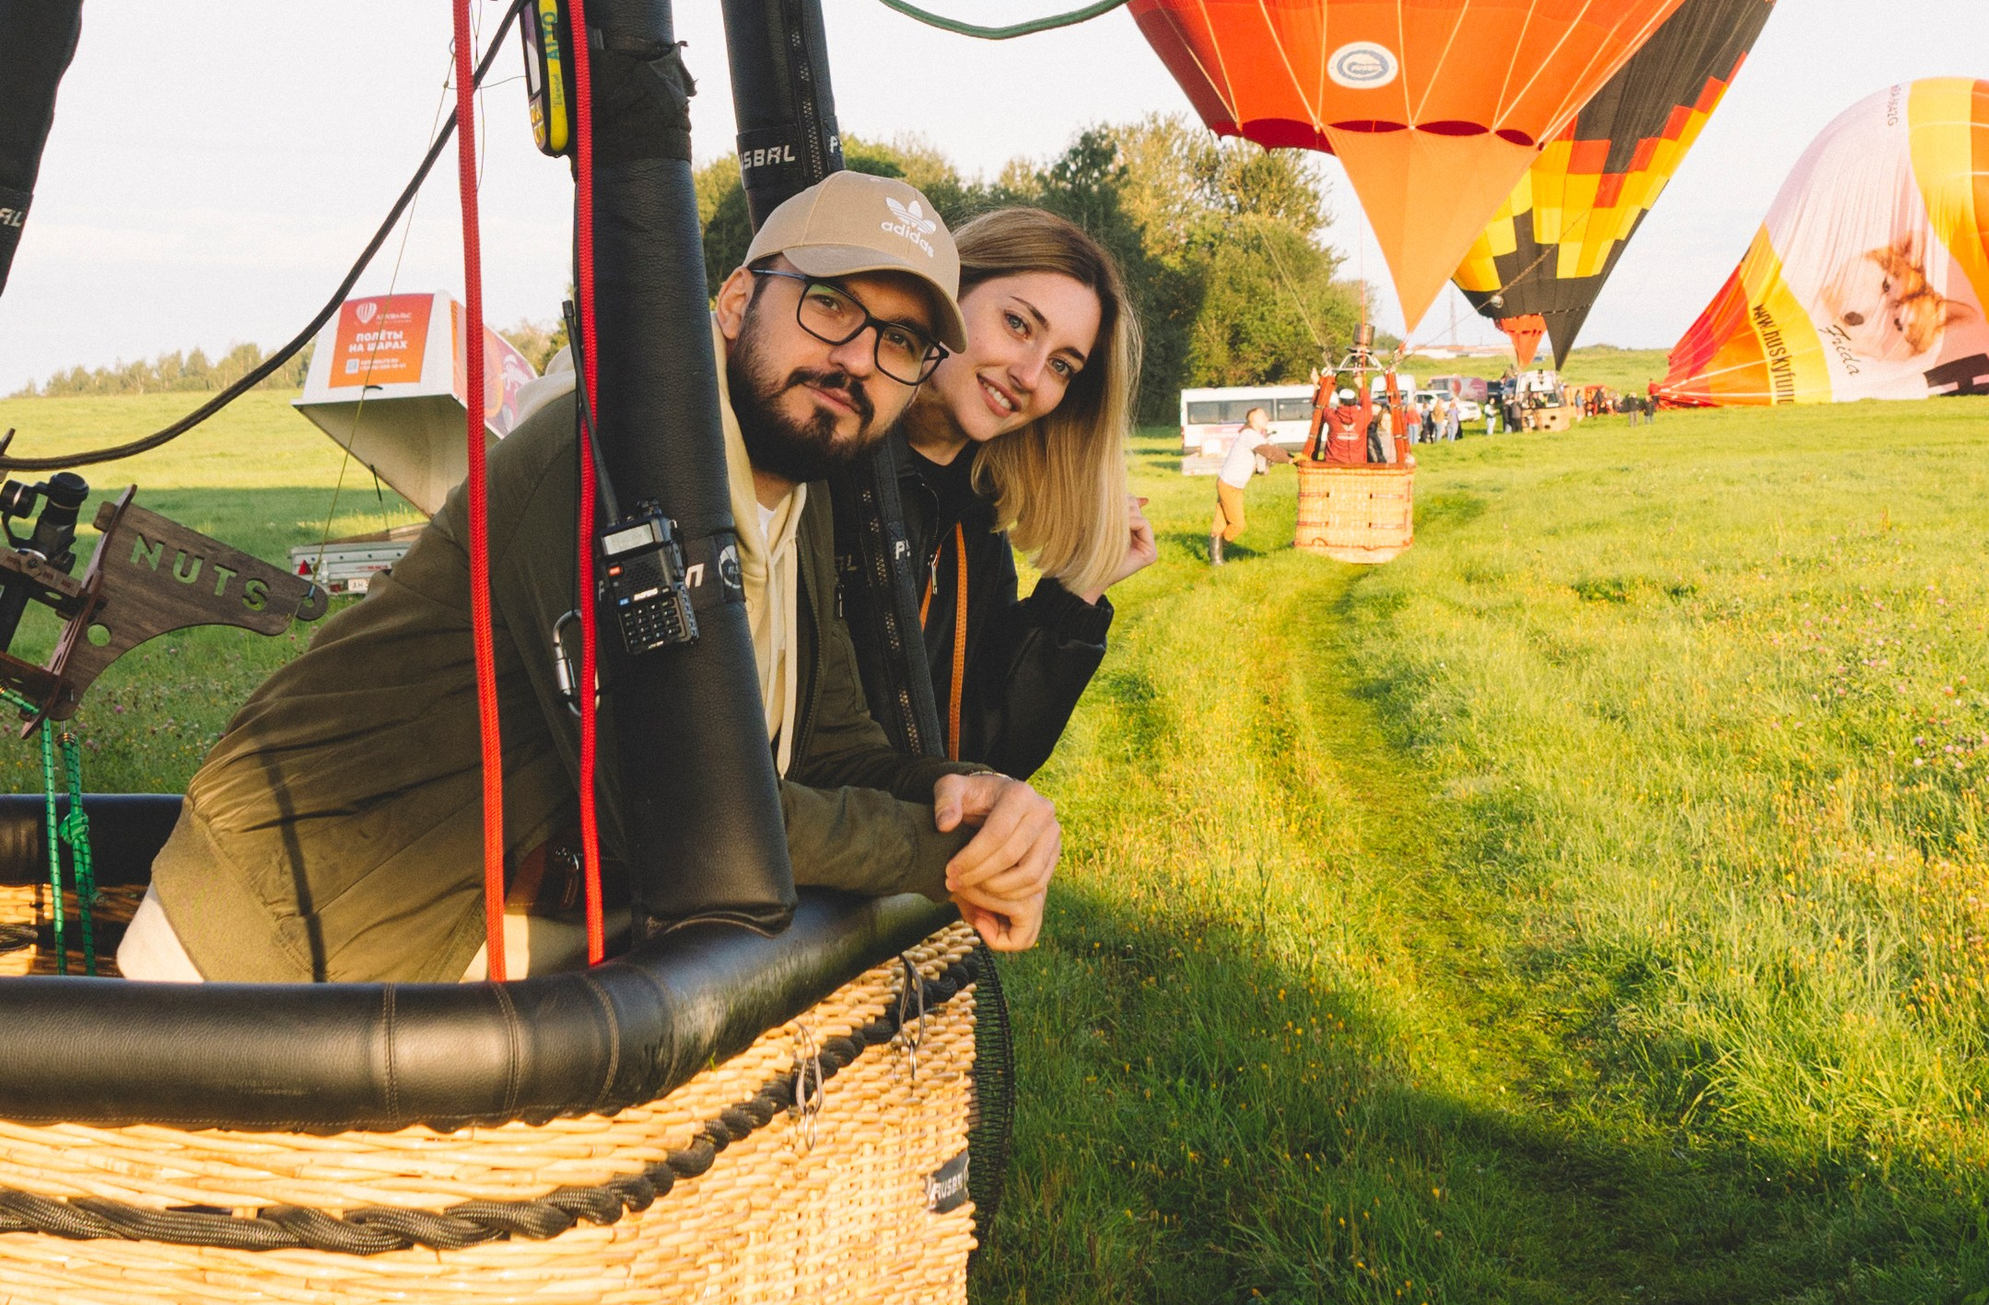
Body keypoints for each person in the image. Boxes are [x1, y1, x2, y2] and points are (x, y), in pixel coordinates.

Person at [117, 173, 1061, 983]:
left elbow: (832, 745)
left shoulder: (796, 498)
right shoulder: (605, 462)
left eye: (899, 343)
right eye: (830, 304)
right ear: (735, 301)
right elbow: (685, 803)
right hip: (285, 940)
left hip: (478, 954)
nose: (856, 356)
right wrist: (939, 854)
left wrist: (978, 799)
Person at [881, 205, 1154, 765]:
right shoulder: (829, 457)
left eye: (1062, 366)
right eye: (1018, 324)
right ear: (948, 290)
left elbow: (988, 752)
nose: (1029, 376)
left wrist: (1078, 590)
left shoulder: (977, 523)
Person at [1211, 402, 1274, 565]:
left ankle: (1215, 558)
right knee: (1237, 525)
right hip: (1230, 485)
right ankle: (1217, 551)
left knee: (1221, 522)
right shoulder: (1249, 435)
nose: (1267, 418)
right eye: (1263, 416)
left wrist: (1262, 468)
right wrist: (1290, 459)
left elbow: (1260, 458)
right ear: (1253, 419)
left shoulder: (1252, 435)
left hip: (1231, 484)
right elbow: (1268, 451)